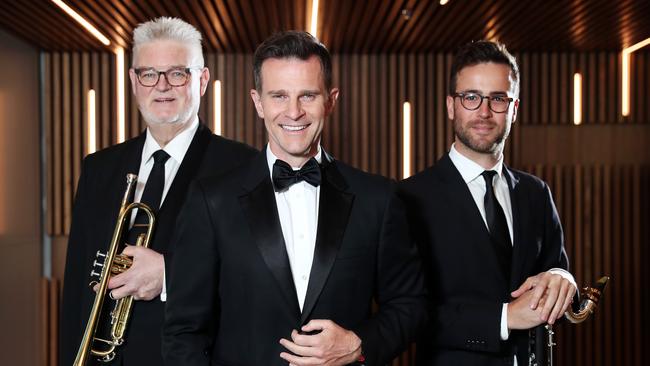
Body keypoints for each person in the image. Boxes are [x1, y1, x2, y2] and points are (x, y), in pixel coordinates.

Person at [162, 30, 427, 366]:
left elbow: (411, 304)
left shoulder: (378, 198)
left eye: (308, 96)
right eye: (279, 96)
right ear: (258, 102)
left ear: (330, 100)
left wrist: (360, 345)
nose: (294, 112)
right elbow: (184, 331)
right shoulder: (211, 200)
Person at [59, 17, 256, 365]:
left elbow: (256, 284)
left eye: (178, 73)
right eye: (149, 74)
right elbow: (77, 289)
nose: (162, 86)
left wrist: (169, 275)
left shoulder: (245, 168)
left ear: (203, 80)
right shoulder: (98, 168)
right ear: (134, 82)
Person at [398, 40, 577, 365]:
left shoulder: (536, 193)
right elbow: (407, 315)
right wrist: (505, 317)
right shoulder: (408, 198)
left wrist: (566, 281)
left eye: (497, 99)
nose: (484, 111)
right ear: (451, 106)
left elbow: (557, 276)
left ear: (514, 108)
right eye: (471, 97)